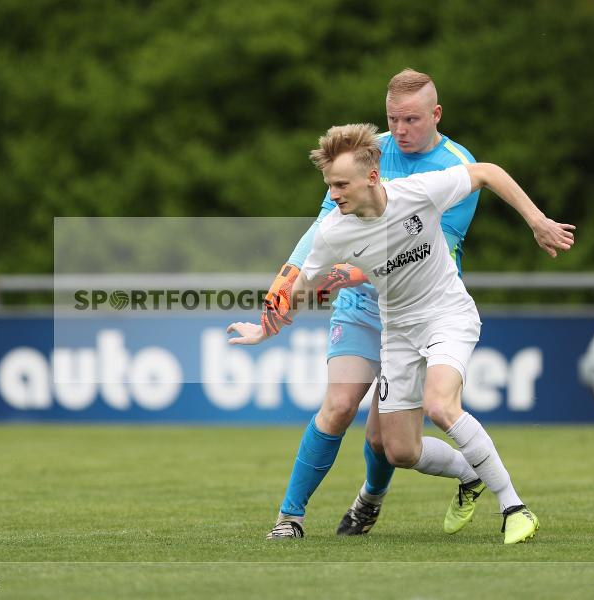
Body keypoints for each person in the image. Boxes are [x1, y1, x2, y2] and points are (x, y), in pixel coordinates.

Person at [229, 122, 574, 544]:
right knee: (400, 450)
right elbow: (302, 286)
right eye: (329, 185)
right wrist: (265, 330)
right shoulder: (334, 230)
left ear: (372, 177)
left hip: (446, 314)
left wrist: (537, 221)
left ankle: (514, 507)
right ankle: (471, 473)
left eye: (340, 185)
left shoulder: (420, 191)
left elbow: (487, 172)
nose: (332, 195)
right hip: (398, 332)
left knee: (441, 405)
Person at [257, 69, 484, 540]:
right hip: (362, 306)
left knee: (388, 442)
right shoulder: (364, 157)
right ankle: (289, 518)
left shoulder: (456, 166)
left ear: (436, 114)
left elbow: (422, 245)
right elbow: (324, 227)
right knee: (338, 406)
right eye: (392, 119)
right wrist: (289, 277)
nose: (399, 131)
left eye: (411, 120)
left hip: (417, 310)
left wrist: (347, 272)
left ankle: (371, 501)